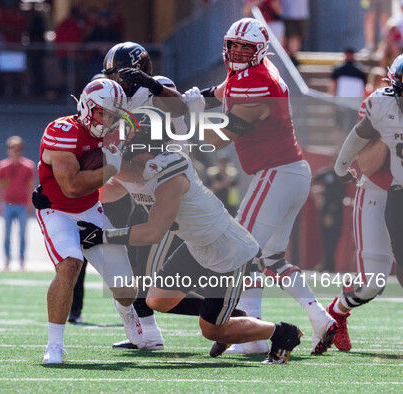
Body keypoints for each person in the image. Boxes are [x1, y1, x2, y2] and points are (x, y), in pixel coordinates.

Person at [77, 107, 304, 364]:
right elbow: (104, 192)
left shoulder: (169, 173)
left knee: (212, 331)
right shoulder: (134, 167)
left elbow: (153, 231)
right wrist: (61, 198)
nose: (119, 145)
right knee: (156, 300)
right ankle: (233, 314)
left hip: (226, 251)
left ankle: (282, 332)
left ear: (143, 144)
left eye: (125, 139)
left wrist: (103, 236)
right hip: (196, 245)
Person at [184, 17, 336, 355]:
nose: (237, 52)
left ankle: (252, 334)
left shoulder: (258, 83)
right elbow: (223, 92)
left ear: (260, 50)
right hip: (290, 172)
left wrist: (191, 117)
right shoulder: (252, 73)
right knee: (273, 258)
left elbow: (220, 138)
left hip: (276, 172)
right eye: (233, 45)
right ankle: (319, 317)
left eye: (245, 47)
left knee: (242, 252)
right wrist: (196, 97)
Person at [33, 78, 139, 364]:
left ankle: (127, 313)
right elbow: (72, 186)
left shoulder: (116, 134)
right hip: (57, 209)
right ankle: (55, 345)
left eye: (114, 115)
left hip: (91, 209)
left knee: (128, 291)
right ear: (86, 107)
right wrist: (111, 166)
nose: (108, 120)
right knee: (69, 265)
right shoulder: (62, 130)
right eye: (104, 113)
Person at [101, 41, 188, 350]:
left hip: (168, 183)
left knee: (155, 280)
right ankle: (149, 335)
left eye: (121, 75)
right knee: (132, 270)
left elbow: (180, 108)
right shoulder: (116, 102)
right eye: (111, 75)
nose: (116, 82)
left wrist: (149, 84)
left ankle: (225, 311)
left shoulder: (158, 88)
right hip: (141, 188)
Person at [332, 54, 403, 350]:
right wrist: (340, 166)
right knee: (372, 283)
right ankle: (336, 312)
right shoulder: (381, 103)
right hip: (378, 193)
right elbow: (365, 156)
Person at [0, 136, 35, 271]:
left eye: (18, 148)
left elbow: (31, 186)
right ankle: (7, 260)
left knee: (22, 234)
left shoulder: (29, 166)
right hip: (7, 204)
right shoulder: (2, 166)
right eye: (12, 148)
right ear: (8, 149)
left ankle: (22, 260)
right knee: (7, 233)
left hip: (22, 205)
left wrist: (30, 203)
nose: (15, 151)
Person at [311, 158, 347, 273]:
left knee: (335, 236)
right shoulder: (326, 173)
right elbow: (311, 182)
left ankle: (328, 263)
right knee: (326, 236)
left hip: (338, 210)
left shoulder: (344, 174)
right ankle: (327, 263)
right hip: (327, 211)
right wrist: (317, 198)